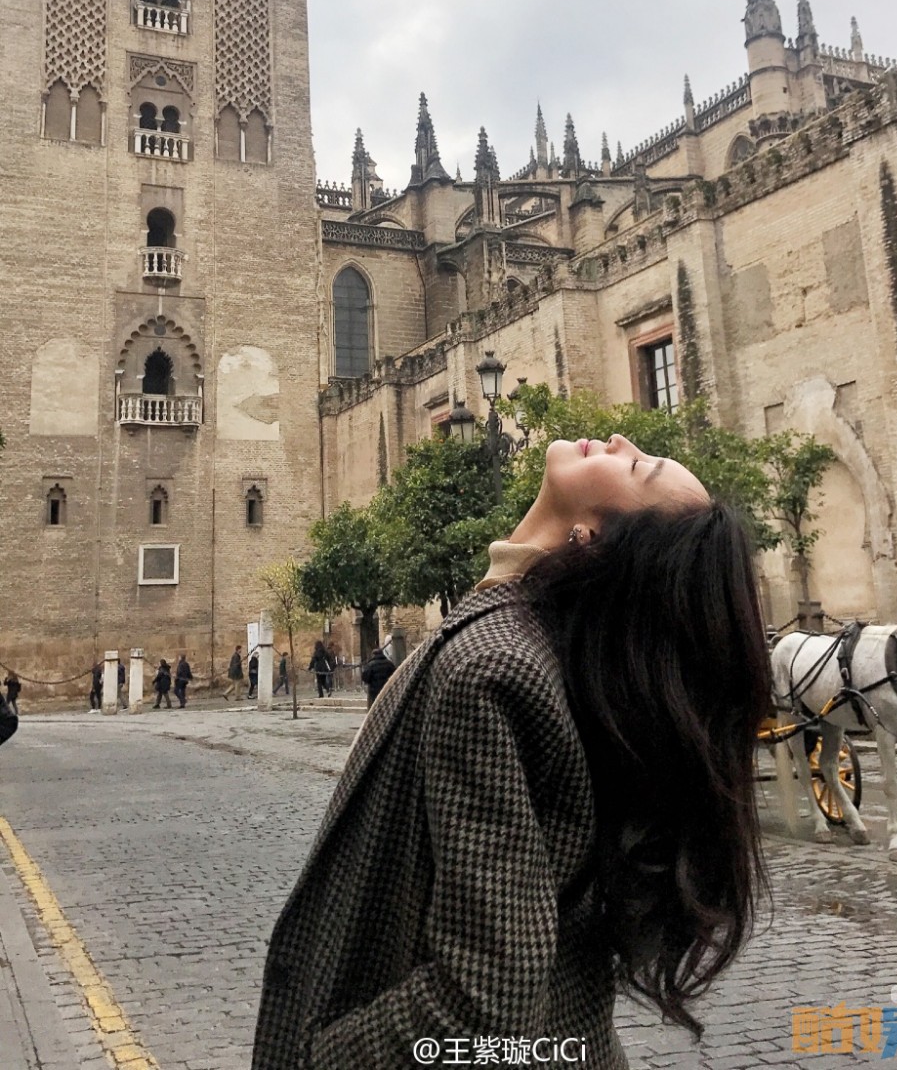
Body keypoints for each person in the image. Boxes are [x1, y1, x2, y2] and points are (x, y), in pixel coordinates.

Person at [252, 434, 771, 1068]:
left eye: (638, 465)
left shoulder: (495, 666)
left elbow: (485, 996)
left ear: (592, 540)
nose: (619, 439)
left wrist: (322, 1061)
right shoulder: (532, 645)